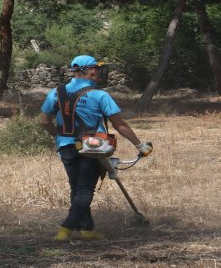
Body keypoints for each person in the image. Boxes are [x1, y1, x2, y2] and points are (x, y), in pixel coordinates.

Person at [40, 55, 153, 241]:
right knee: (85, 190)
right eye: (98, 68)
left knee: (76, 188)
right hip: (92, 147)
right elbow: (120, 125)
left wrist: (58, 137)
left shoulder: (56, 92)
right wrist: (140, 146)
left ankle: (87, 230)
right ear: (90, 70)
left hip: (66, 147)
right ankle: (65, 230)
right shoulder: (100, 95)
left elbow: (45, 121)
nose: (100, 72)